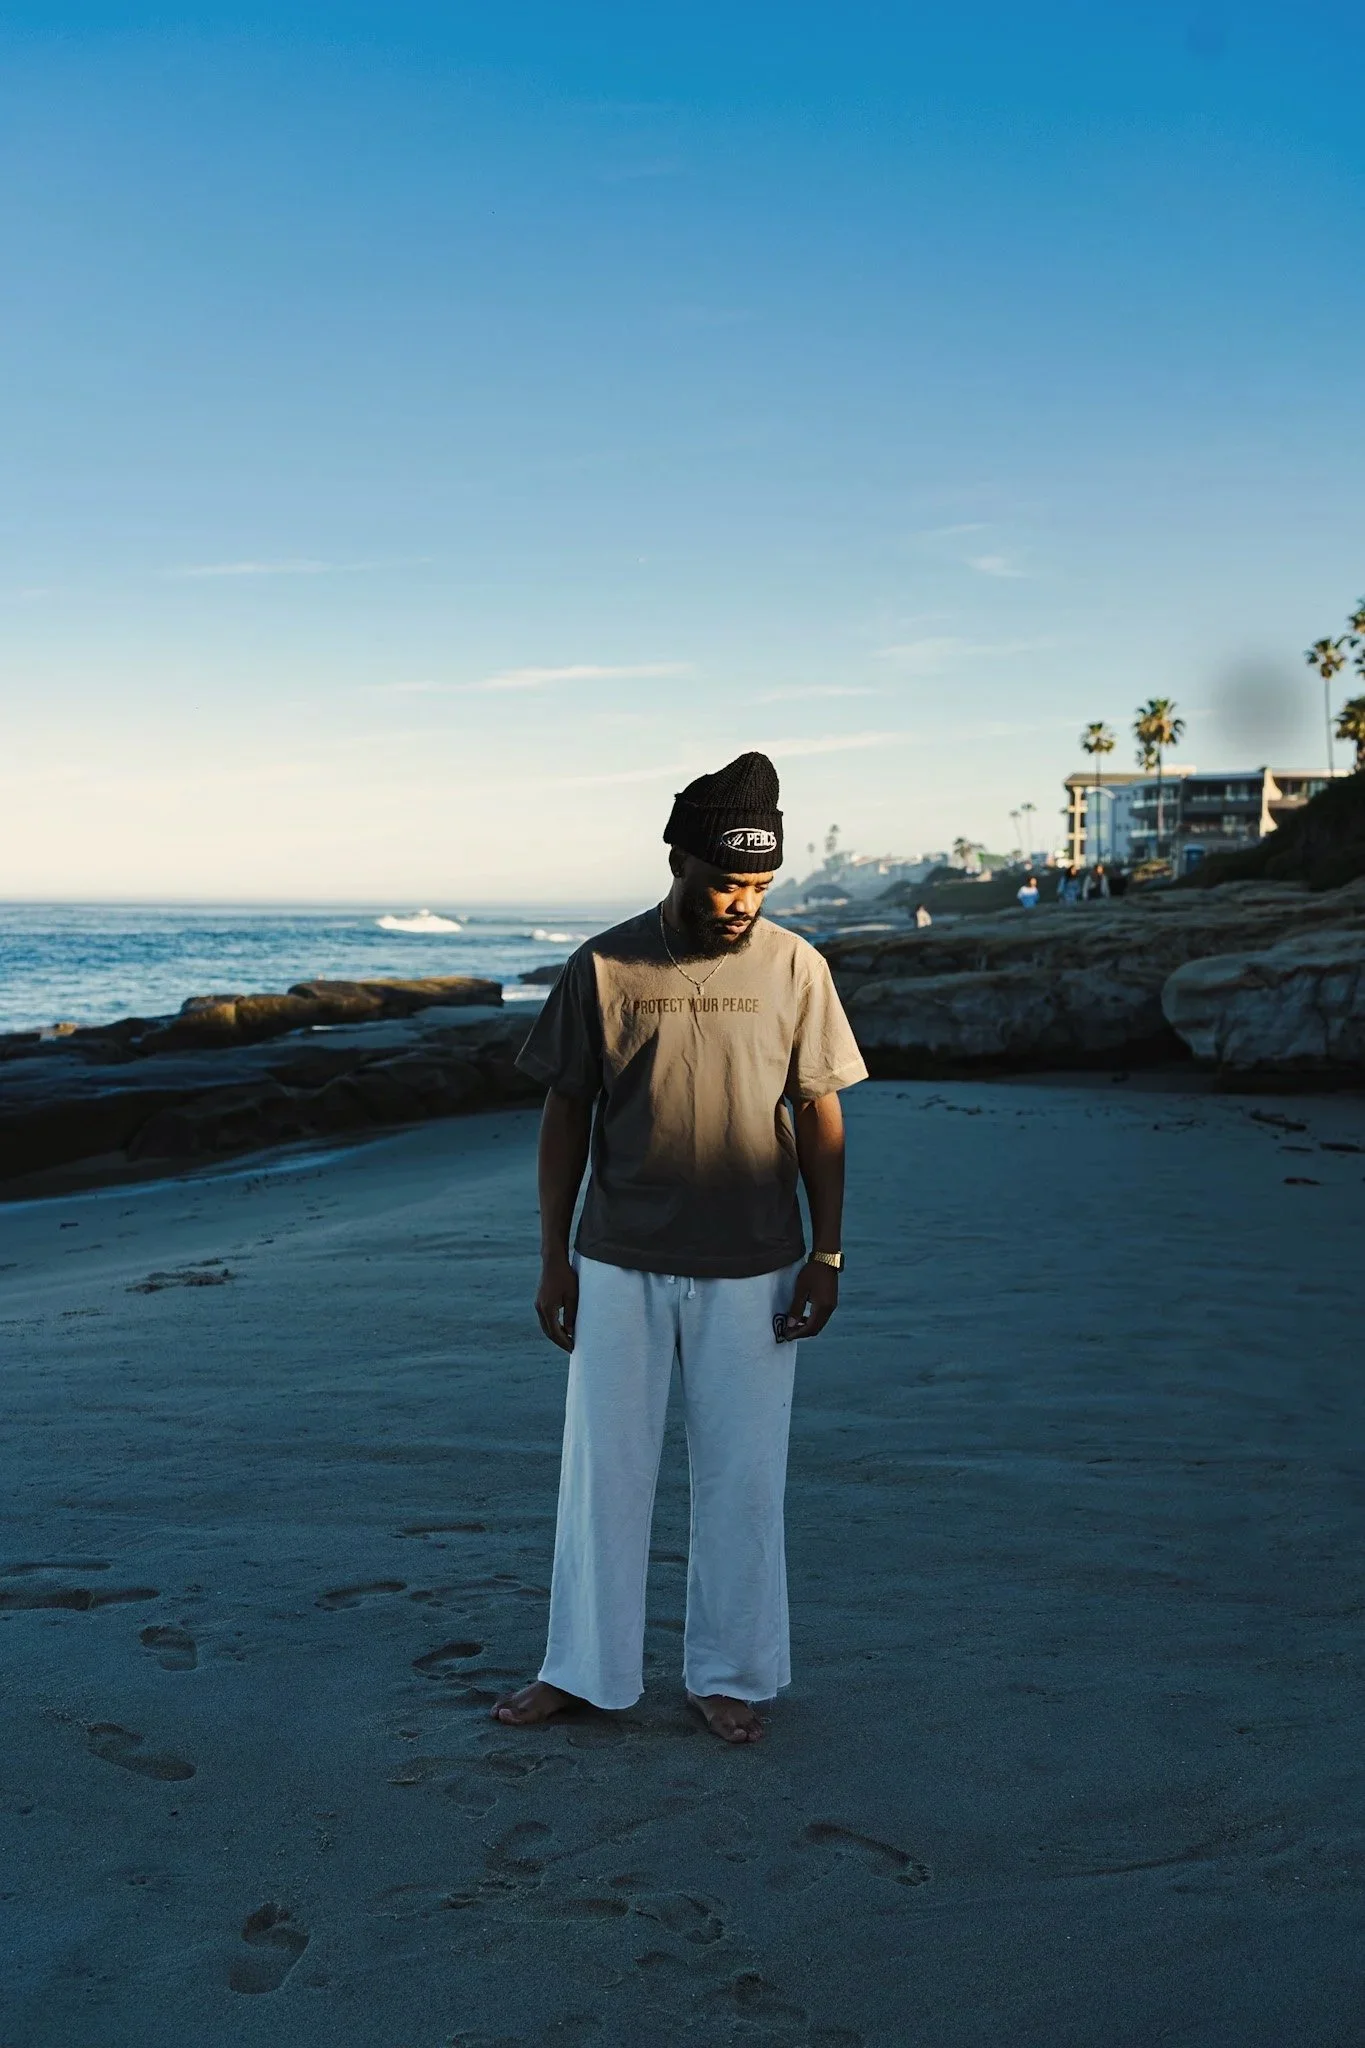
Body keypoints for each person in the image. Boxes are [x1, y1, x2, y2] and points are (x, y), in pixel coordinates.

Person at [493, 752, 867, 1745]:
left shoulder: (797, 968)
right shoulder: (605, 965)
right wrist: (552, 1256)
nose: (738, 902)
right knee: (602, 1472)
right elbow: (564, 1110)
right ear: (677, 859)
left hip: (757, 1265)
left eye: (755, 886)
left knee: (743, 1476)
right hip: (619, 1258)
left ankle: (730, 1672)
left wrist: (827, 1258)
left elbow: (820, 1115)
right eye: (721, 882)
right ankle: (582, 1668)